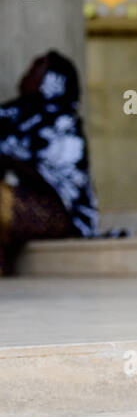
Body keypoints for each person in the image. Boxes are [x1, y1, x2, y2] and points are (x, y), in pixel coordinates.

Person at [0, 51, 98, 275]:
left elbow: (54, 183)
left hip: (59, 214)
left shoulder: (63, 125)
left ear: (51, 79)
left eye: (35, 69)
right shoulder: (17, 114)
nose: (26, 75)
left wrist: (10, 161)